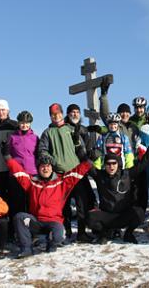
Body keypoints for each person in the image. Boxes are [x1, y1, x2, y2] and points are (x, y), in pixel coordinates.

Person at [6, 135, 93, 258]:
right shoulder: (32, 182)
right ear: (38, 168)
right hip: (36, 222)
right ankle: (26, 248)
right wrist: (7, 157)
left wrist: (88, 162)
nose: (45, 168)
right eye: (42, 166)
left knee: (58, 236)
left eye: (48, 166)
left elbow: (76, 172)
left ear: (52, 168)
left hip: (54, 222)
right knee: (19, 217)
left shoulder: (61, 182)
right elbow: (19, 172)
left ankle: (51, 242)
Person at [86, 132, 149, 244]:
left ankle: (128, 234)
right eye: (108, 164)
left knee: (139, 212)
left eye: (114, 163)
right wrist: (77, 145)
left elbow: (144, 163)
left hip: (123, 215)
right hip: (107, 215)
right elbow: (85, 162)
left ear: (118, 164)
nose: (111, 166)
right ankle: (104, 233)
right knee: (90, 217)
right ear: (105, 165)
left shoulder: (127, 174)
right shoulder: (100, 176)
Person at [39, 103, 96, 242]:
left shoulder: (71, 129)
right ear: (50, 116)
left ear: (62, 113)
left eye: (58, 113)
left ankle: (82, 232)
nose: (56, 116)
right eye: (53, 114)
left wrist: (86, 159)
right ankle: (67, 230)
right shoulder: (47, 132)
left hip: (76, 173)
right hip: (59, 174)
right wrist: (52, 160)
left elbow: (81, 149)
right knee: (63, 206)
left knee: (81, 203)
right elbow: (42, 150)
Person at [95, 79, 139, 150]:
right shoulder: (115, 125)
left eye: (127, 112)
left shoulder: (134, 128)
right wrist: (104, 95)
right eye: (122, 112)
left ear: (130, 114)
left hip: (132, 159)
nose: (124, 114)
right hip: (118, 158)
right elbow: (105, 113)